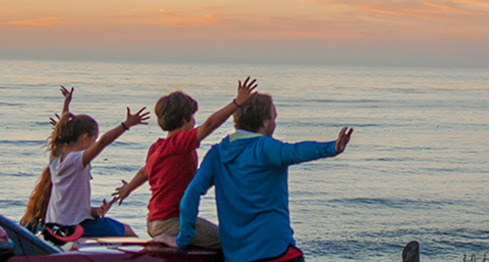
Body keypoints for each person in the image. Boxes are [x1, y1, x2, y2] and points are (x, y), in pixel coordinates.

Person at [155, 91, 354, 262]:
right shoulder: (265, 147)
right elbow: (296, 151)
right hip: (277, 251)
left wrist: (183, 238)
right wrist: (332, 148)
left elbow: (191, 194)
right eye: (273, 119)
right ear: (265, 121)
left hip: (237, 256)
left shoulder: (217, 154)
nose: (274, 124)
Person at [109, 77, 259, 249]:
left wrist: (127, 189)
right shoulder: (178, 143)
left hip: (154, 221)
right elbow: (209, 125)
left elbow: (144, 172)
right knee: (230, 240)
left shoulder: (157, 148)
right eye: (193, 117)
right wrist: (236, 104)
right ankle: (170, 239)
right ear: (183, 119)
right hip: (172, 223)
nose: (195, 122)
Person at [19, 85, 150, 242]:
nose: (94, 144)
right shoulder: (76, 160)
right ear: (85, 137)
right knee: (127, 232)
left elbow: (63, 127)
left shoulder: (56, 156)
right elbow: (102, 143)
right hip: (75, 226)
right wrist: (125, 125)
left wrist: (93, 212)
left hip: (55, 224)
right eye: (92, 140)